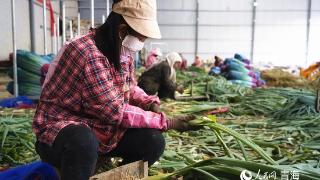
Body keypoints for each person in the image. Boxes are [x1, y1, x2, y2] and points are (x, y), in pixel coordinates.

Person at [32, 1, 196, 180]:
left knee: (153, 141)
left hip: (101, 129)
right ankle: (78, 167)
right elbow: (115, 112)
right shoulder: (87, 53)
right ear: (122, 31)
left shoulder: (121, 51)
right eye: (141, 38)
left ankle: (113, 176)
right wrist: (167, 122)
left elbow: (130, 86)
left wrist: (147, 102)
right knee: (83, 141)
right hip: (63, 130)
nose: (142, 43)